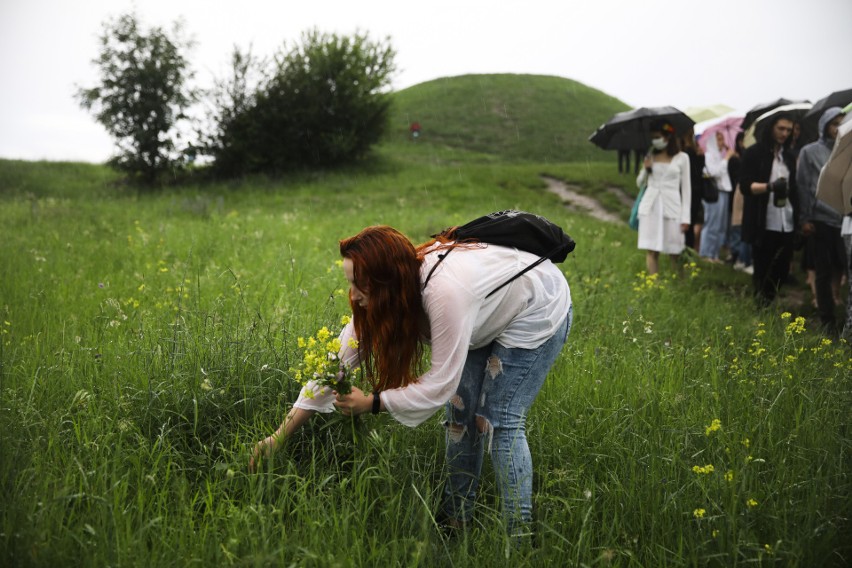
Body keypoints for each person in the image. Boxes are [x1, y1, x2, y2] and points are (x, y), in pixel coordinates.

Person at [250, 225, 572, 539]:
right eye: (349, 282)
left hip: (536, 306)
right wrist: (279, 436)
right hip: (487, 310)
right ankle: (456, 520)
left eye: (359, 284)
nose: (353, 294)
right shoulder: (389, 295)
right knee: (460, 416)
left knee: (497, 420)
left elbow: (439, 384)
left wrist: (373, 402)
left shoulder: (444, 294)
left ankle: (519, 536)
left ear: (384, 282)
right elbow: (334, 369)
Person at [740, 112, 800, 307]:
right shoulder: (754, 153)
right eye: (780, 128)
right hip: (762, 219)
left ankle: (768, 299)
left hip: (787, 218)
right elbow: (745, 186)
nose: (784, 133)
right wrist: (770, 187)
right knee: (762, 264)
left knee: (783, 267)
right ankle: (760, 305)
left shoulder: (790, 157)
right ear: (771, 128)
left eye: (788, 130)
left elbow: (795, 188)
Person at [796, 107, 847, 332]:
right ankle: (827, 320)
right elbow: (804, 186)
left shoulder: (847, 150)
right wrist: (805, 218)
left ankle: (842, 313)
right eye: (834, 123)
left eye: (841, 123)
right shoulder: (810, 152)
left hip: (845, 219)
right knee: (823, 271)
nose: (838, 128)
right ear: (825, 125)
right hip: (820, 219)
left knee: (843, 268)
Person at [636, 119, 691, 275]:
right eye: (653, 137)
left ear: (668, 136)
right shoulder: (650, 155)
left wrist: (686, 218)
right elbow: (639, 183)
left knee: (675, 250)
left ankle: (679, 284)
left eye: (657, 136)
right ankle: (654, 285)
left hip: (672, 207)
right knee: (652, 249)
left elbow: (687, 189)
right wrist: (646, 169)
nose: (655, 140)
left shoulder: (682, 158)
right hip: (651, 207)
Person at [699, 131, 735, 261]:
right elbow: (714, 172)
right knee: (712, 223)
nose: (721, 142)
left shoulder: (718, 155)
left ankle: (714, 254)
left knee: (720, 225)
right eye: (719, 139)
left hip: (723, 191)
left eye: (722, 139)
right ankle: (706, 253)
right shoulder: (708, 155)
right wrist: (726, 159)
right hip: (714, 192)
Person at [727, 132, 753, 273]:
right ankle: (741, 259)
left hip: (744, 195)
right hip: (740, 195)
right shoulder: (736, 159)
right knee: (740, 229)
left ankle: (742, 258)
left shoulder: (745, 156)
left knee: (743, 229)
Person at [680, 130, 705, 251]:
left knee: (686, 226)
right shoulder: (696, 152)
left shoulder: (686, 153)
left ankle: (686, 251)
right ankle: (689, 251)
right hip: (696, 193)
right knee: (691, 223)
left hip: (689, 192)